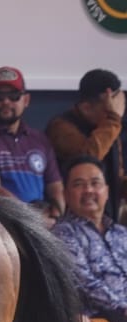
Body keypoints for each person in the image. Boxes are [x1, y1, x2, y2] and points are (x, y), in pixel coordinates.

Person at [0, 66, 62, 220]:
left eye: (14, 96)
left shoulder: (40, 139)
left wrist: (56, 215)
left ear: (26, 100)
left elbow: (55, 185)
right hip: (3, 223)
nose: (6, 102)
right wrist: (30, 219)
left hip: (43, 222)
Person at [52, 157, 127, 322]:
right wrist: (124, 307)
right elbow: (85, 284)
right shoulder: (63, 233)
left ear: (107, 191)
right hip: (102, 318)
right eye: (79, 184)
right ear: (66, 194)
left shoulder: (121, 233)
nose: (89, 190)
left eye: (95, 183)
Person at [48, 69, 125, 222]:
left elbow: (117, 179)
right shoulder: (61, 126)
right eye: (109, 107)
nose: (115, 111)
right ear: (86, 107)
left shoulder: (108, 129)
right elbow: (87, 159)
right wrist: (113, 119)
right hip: (73, 225)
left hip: (107, 220)